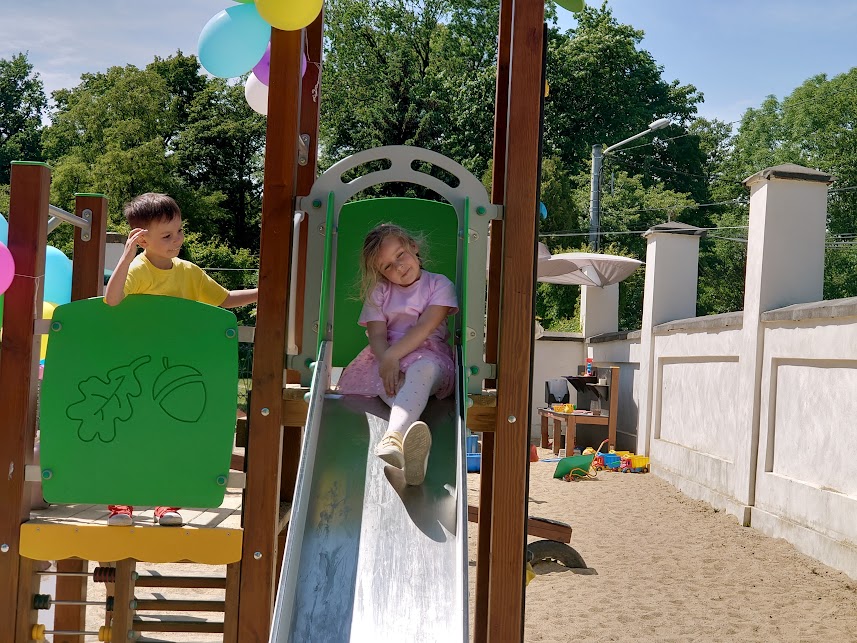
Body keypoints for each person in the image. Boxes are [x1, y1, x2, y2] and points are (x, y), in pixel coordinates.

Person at [103, 193, 258, 526]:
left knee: (172, 435)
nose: (177, 240)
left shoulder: (188, 272)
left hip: (176, 370)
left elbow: (224, 299)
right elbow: (112, 299)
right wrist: (126, 256)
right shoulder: (139, 270)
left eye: (179, 231)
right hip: (140, 370)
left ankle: (166, 503)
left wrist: (264, 291)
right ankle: (121, 504)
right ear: (142, 240)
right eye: (167, 235)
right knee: (130, 434)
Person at [336, 223, 458, 486]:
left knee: (421, 371)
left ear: (413, 247)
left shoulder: (439, 284)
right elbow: (377, 335)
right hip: (385, 359)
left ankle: (393, 438)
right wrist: (386, 361)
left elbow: (425, 327)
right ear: (380, 273)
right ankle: (413, 454)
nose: (399, 267)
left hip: (429, 355)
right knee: (395, 386)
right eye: (388, 266)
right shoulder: (379, 291)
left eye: (400, 255)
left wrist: (392, 357)